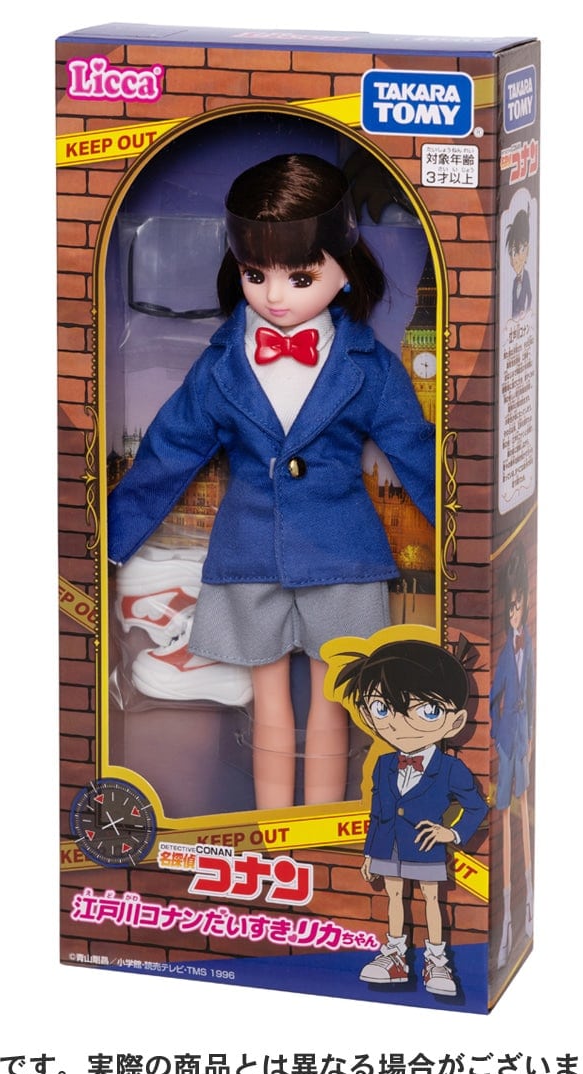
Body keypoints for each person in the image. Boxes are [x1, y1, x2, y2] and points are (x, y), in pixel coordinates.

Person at [108, 153, 435, 809]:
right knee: (269, 702)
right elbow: (169, 450)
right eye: (256, 274)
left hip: (343, 555)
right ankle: (271, 832)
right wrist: (106, 540)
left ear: (344, 270)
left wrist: (472, 531)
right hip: (248, 555)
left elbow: (416, 451)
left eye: (300, 276)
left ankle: (321, 830)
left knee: (334, 699)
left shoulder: (367, 366)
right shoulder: (222, 365)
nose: (276, 295)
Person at [331, 635, 486, 995]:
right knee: (394, 897)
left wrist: (452, 833)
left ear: (454, 721)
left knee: (431, 898)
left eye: (427, 711)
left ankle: (436, 960)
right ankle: (395, 955)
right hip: (389, 845)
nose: (399, 723)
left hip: (425, 845)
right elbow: (378, 810)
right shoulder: (384, 764)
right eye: (382, 708)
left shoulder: (449, 768)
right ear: (367, 713)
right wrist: (370, 852)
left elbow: (476, 806)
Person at [489, 545, 535, 967]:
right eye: (511, 607)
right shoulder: (506, 654)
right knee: (505, 813)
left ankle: (528, 904)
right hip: (508, 739)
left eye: (519, 606)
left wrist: (530, 733)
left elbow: (532, 691)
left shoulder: (528, 645)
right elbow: (493, 700)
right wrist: (498, 738)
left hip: (522, 735)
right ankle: (505, 921)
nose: (515, 613)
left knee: (523, 809)